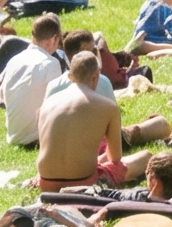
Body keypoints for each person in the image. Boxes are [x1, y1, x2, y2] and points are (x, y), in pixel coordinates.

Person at [35, 52, 124, 190]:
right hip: (84, 181)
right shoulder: (107, 106)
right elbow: (115, 158)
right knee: (142, 158)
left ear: (70, 76)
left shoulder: (47, 104)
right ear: (96, 77)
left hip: (46, 182)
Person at [0, 15, 69, 147]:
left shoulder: (14, 60)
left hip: (14, 136)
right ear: (53, 39)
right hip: (37, 137)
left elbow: (1, 96)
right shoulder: (51, 63)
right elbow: (60, 105)